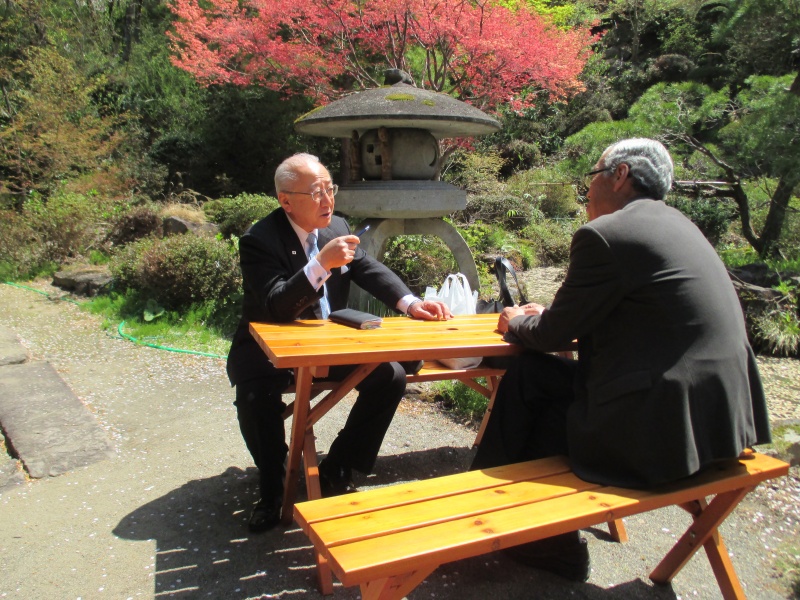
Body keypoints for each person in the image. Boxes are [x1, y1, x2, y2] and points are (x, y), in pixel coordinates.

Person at [471, 138, 771, 581]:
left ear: (620, 175)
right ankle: (525, 523)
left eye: (591, 178)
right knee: (545, 384)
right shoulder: (682, 226)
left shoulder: (606, 234)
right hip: (720, 429)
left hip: (662, 436)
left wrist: (517, 320)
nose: (586, 192)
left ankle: (507, 523)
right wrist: (548, 317)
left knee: (529, 376)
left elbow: (552, 334)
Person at [227, 153, 451, 533]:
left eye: (330, 189)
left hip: (330, 344)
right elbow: (277, 304)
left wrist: (412, 303)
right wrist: (320, 265)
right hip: (269, 352)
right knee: (254, 397)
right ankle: (273, 485)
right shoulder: (259, 240)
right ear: (286, 201)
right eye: (316, 192)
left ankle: (339, 466)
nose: (327, 200)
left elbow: (367, 268)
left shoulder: (336, 227)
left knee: (390, 376)